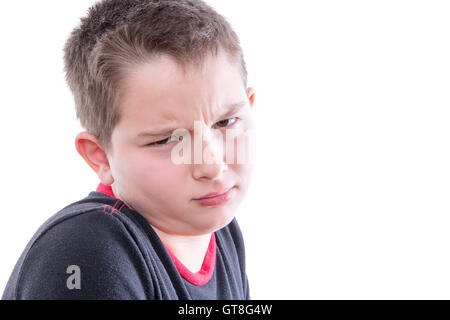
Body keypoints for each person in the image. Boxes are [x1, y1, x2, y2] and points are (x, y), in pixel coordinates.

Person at [2, 0, 256, 300]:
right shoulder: (89, 250)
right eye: (166, 140)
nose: (212, 166)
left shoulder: (217, 226)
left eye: (226, 122)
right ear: (100, 156)